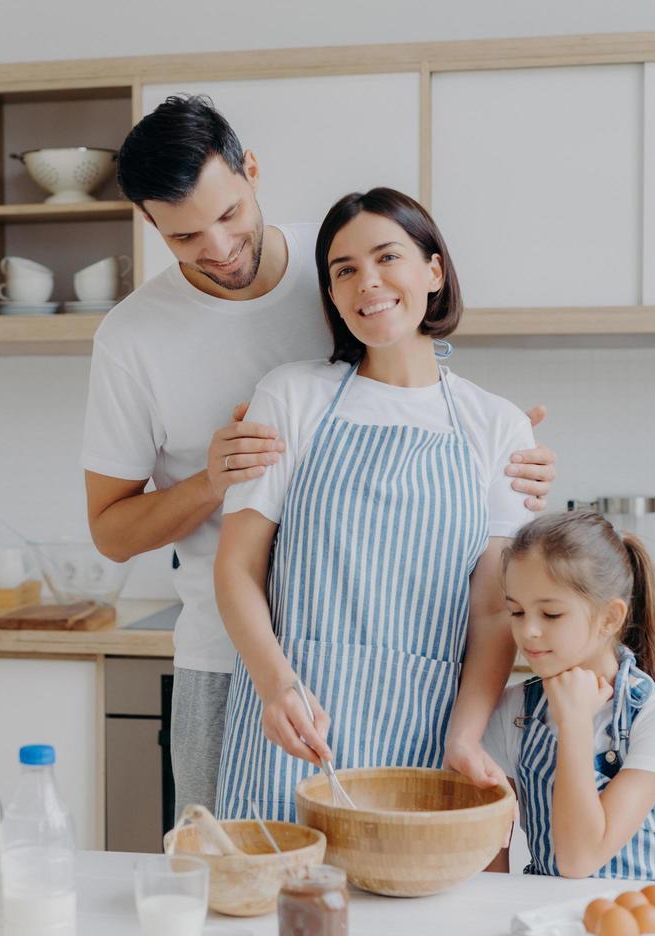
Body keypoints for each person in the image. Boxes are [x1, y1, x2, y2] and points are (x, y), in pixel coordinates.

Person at [81, 95, 557, 818]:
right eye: (183, 237)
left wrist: (502, 450)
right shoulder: (135, 339)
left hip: (418, 677)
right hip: (234, 657)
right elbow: (112, 533)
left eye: (230, 215)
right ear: (150, 226)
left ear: (251, 171)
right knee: (234, 885)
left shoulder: (333, 256)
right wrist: (213, 481)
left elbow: (410, 355)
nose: (217, 247)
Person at [214, 187, 535, 821]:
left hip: (425, 734)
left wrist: (465, 738)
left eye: (388, 257)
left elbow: (493, 607)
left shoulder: (496, 426)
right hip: (295, 730)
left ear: (433, 271)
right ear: (331, 295)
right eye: (345, 270)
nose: (369, 282)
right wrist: (276, 686)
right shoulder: (290, 398)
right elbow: (237, 567)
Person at [483, 510, 655, 881]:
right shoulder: (512, 712)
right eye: (516, 611)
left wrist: (576, 724)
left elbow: (578, 859)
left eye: (550, 614)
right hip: (547, 926)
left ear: (610, 618)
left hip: (651, 928)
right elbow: (490, 862)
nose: (528, 631)